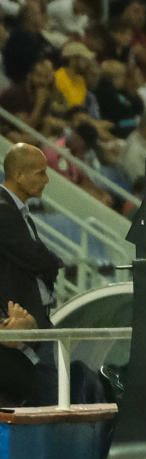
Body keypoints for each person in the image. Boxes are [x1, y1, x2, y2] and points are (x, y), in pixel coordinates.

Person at [0, 144, 62, 406]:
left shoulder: (19, 212)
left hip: (34, 320)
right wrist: (54, 261)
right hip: (19, 321)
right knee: (47, 395)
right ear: (18, 175)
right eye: (40, 173)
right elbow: (34, 257)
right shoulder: (3, 209)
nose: (46, 180)